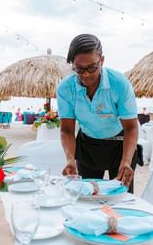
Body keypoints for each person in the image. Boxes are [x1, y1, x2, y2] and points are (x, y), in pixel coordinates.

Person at [57, 34, 140, 192]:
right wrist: (70, 159)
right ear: (72, 65)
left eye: (92, 67)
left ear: (101, 61)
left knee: (120, 196)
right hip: (88, 145)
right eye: (79, 69)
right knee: (88, 195)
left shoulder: (119, 83)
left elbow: (131, 127)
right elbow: (67, 129)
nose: (86, 74)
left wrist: (126, 161)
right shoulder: (65, 88)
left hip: (121, 144)